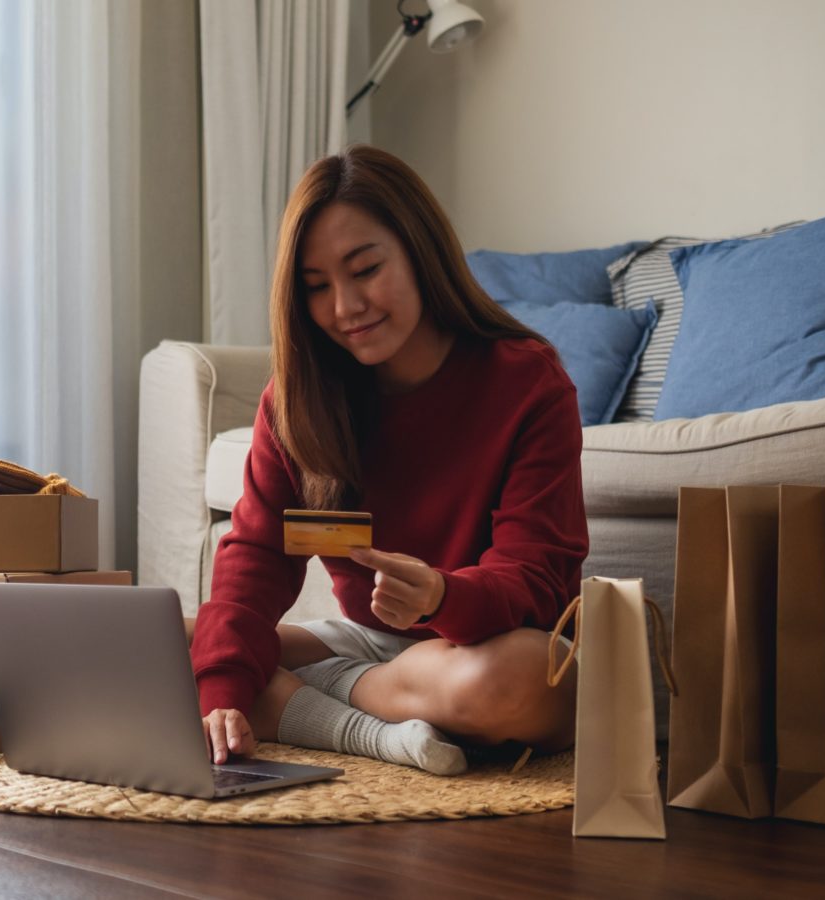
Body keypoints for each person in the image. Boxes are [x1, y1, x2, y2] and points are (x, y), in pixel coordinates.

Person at [190, 145, 586, 775]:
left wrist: (441, 595)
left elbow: (535, 576)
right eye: (317, 287)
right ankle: (375, 731)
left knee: (528, 679)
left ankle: (313, 709)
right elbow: (257, 556)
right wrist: (223, 684)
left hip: (484, 647)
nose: (345, 308)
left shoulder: (528, 383)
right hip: (370, 648)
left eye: (365, 269)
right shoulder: (297, 401)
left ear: (419, 251)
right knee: (173, 642)